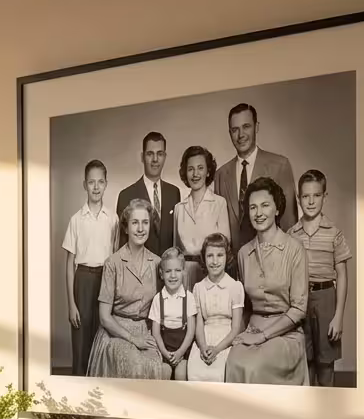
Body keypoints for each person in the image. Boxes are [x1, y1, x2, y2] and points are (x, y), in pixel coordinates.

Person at [226, 177, 309, 385]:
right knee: (233, 362)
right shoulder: (244, 253)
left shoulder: (295, 249)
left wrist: (262, 336)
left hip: (285, 334)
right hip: (252, 329)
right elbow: (244, 305)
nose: (258, 213)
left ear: (277, 209)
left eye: (265, 205)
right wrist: (239, 335)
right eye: (253, 207)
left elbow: (299, 309)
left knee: (255, 367)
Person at [87, 199, 169, 379]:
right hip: (115, 332)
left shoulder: (157, 263)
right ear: (126, 227)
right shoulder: (113, 263)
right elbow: (104, 317)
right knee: (134, 365)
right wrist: (133, 340)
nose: (140, 228)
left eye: (145, 222)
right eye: (135, 222)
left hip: (145, 330)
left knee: (155, 365)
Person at [212, 103, 296, 268]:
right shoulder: (221, 174)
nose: (241, 135)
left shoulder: (280, 165)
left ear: (257, 127)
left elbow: (289, 223)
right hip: (233, 266)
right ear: (229, 133)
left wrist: (285, 264)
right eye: (235, 129)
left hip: (273, 262)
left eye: (246, 127)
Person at [288, 170, 351, 387]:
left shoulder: (334, 233)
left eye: (316, 195)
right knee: (305, 361)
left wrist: (339, 315)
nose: (311, 201)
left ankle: (328, 414)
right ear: (298, 199)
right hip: (300, 300)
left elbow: (342, 275)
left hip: (326, 299)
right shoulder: (292, 234)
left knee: (325, 364)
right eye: (305, 196)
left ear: (324, 196)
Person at [62, 159, 119, 376]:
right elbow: (69, 264)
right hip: (83, 280)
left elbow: (114, 260)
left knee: (102, 338)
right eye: (91, 182)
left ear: (106, 184)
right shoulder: (76, 220)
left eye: (100, 182)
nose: (96, 187)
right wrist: (71, 304)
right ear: (84, 185)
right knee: (81, 339)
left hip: (105, 280)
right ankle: (78, 387)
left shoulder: (112, 219)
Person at [188, 233, 245, 383]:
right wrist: (203, 347)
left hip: (226, 340)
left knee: (220, 372)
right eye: (210, 256)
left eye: (220, 255)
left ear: (227, 257)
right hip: (204, 339)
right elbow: (199, 324)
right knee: (195, 370)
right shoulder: (198, 288)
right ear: (204, 258)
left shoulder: (235, 287)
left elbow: (236, 328)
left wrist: (217, 349)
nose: (214, 261)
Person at [114, 131, 180, 255]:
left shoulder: (174, 193)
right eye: (150, 154)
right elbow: (123, 245)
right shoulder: (126, 195)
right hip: (138, 270)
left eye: (159, 154)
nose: (155, 159)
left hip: (168, 271)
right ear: (142, 157)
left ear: (165, 156)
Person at [173, 145, 229, 287]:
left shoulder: (219, 203)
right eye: (190, 169)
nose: (195, 174)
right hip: (184, 275)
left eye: (200, 168)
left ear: (208, 171)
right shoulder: (179, 208)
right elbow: (176, 250)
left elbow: (225, 245)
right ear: (185, 173)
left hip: (211, 273)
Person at [151, 246, 196, 380]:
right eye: (168, 271)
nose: (173, 275)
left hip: (183, 348)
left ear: (183, 272)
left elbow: (191, 331)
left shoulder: (189, 297)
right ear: (161, 274)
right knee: (163, 372)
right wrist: (165, 353)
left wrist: (180, 352)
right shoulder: (158, 299)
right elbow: (156, 332)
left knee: (181, 373)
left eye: (177, 270)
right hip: (164, 349)